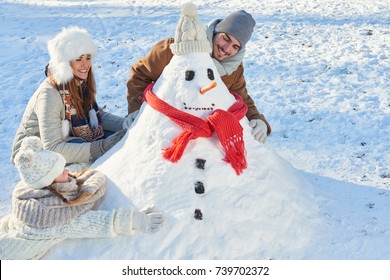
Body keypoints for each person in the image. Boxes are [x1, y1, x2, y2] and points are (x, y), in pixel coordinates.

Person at [0, 136, 164, 260]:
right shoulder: (48, 216)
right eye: (60, 172)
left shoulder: (36, 183)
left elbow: (69, 173)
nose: (67, 172)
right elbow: (88, 224)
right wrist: (133, 219)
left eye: (63, 167)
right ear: (48, 183)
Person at [125, 9, 272, 143]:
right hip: (163, 129)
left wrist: (257, 120)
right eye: (225, 38)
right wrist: (137, 109)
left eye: (235, 46)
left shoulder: (233, 69)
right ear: (215, 32)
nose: (226, 49)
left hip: (202, 136)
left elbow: (242, 99)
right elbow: (140, 74)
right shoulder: (175, 49)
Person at [11, 26, 126, 166]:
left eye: (88, 58)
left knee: (118, 138)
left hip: (65, 137)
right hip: (32, 153)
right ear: (65, 64)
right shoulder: (49, 94)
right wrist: (101, 147)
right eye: (78, 59)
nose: (85, 64)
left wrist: (128, 124)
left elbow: (97, 115)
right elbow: (52, 147)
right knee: (98, 150)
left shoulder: (79, 83)